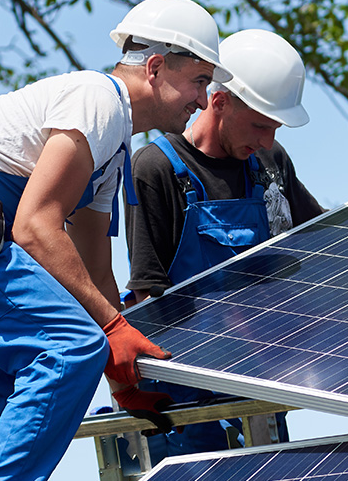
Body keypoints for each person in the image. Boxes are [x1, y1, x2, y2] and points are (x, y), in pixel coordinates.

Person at [0, 0, 231, 481]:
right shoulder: (98, 100)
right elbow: (35, 228)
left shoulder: (109, 153)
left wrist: (118, 378)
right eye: (200, 80)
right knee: (70, 347)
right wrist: (106, 336)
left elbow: (95, 272)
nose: (203, 100)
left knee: (6, 420)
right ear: (156, 67)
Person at [123, 29, 325, 460]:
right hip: (189, 403)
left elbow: (326, 243)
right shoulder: (156, 168)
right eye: (259, 125)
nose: (268, 141)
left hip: (262, 382)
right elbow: (147, 296)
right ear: (219, 102)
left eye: (275, 128)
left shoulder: (271, 163)